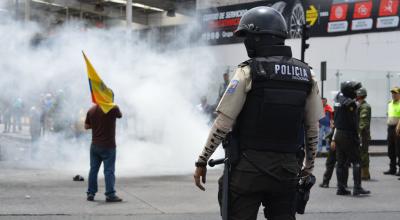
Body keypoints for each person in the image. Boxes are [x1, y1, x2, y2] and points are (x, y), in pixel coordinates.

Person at [193, 6, 323, 220]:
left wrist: (201, 161)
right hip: (287, 171)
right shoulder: (307, 74)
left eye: (248, 36)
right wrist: (308, 168)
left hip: (248, 171)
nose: (246, 42)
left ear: (258, 38)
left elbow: (223, 123)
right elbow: (312, 127)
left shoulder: (248, 71)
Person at [333, 81, 370, 196]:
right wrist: (357, 138)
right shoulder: (351, 104)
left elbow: (341, 95)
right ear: (349, 91)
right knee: (356, 161)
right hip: (348, 135)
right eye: (354, 90)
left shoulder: (338, 99)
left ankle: (341, 187)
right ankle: (357, 187)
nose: (356, 92)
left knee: (341, 162)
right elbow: (354, 122)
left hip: (338, 133)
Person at [84, 104, 123, 202]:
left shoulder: (91, 110)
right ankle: (110, 194)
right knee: (109, 171)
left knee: (93, 170)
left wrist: (97, 124)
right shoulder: (113, 108)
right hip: (109, 146)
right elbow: (120, 115)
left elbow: (86, 126)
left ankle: (91, 193)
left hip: (95, 145)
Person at [356, 88, 372, 180]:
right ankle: (364, 172)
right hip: (361, 133)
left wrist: (358, 133)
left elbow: (363, 123)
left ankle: (365, 173)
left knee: (363, 153)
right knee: (361, 153)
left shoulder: (365, 106)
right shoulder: (360, 105)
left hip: (363, 134)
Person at [384, 87, 400, 175]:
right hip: (390, 128)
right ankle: (392, 168)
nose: (393, 95)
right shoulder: (390, 104)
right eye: (392, 93)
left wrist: (398, 126)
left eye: (395, 93)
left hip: (398, 128)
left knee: (399, 149)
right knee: (391, 149)